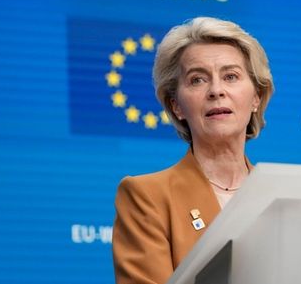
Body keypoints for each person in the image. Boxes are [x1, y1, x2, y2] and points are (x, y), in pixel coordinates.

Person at [112, 17, 275, 284]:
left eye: (231, 76)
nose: (216, 91)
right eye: (198, 80)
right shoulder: (147, 196)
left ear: (256, 97)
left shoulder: (280, 197)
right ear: (176, 105)